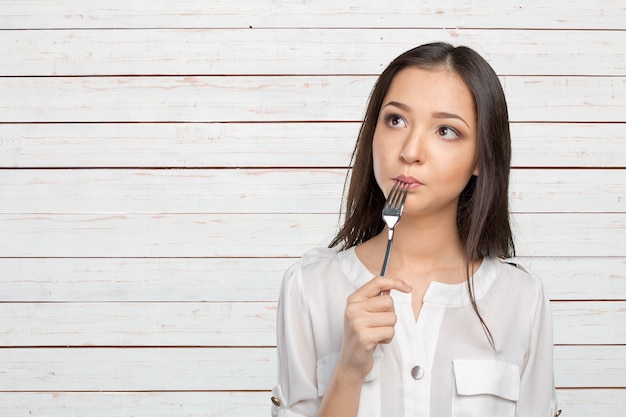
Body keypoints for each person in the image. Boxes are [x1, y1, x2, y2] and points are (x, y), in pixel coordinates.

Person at [271, 42, 560, 417]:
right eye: (396, 120)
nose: (410, 150)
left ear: (481, 157)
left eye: (446, 130)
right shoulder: (309, 289)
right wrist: (348, 371)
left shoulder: (523, 299)